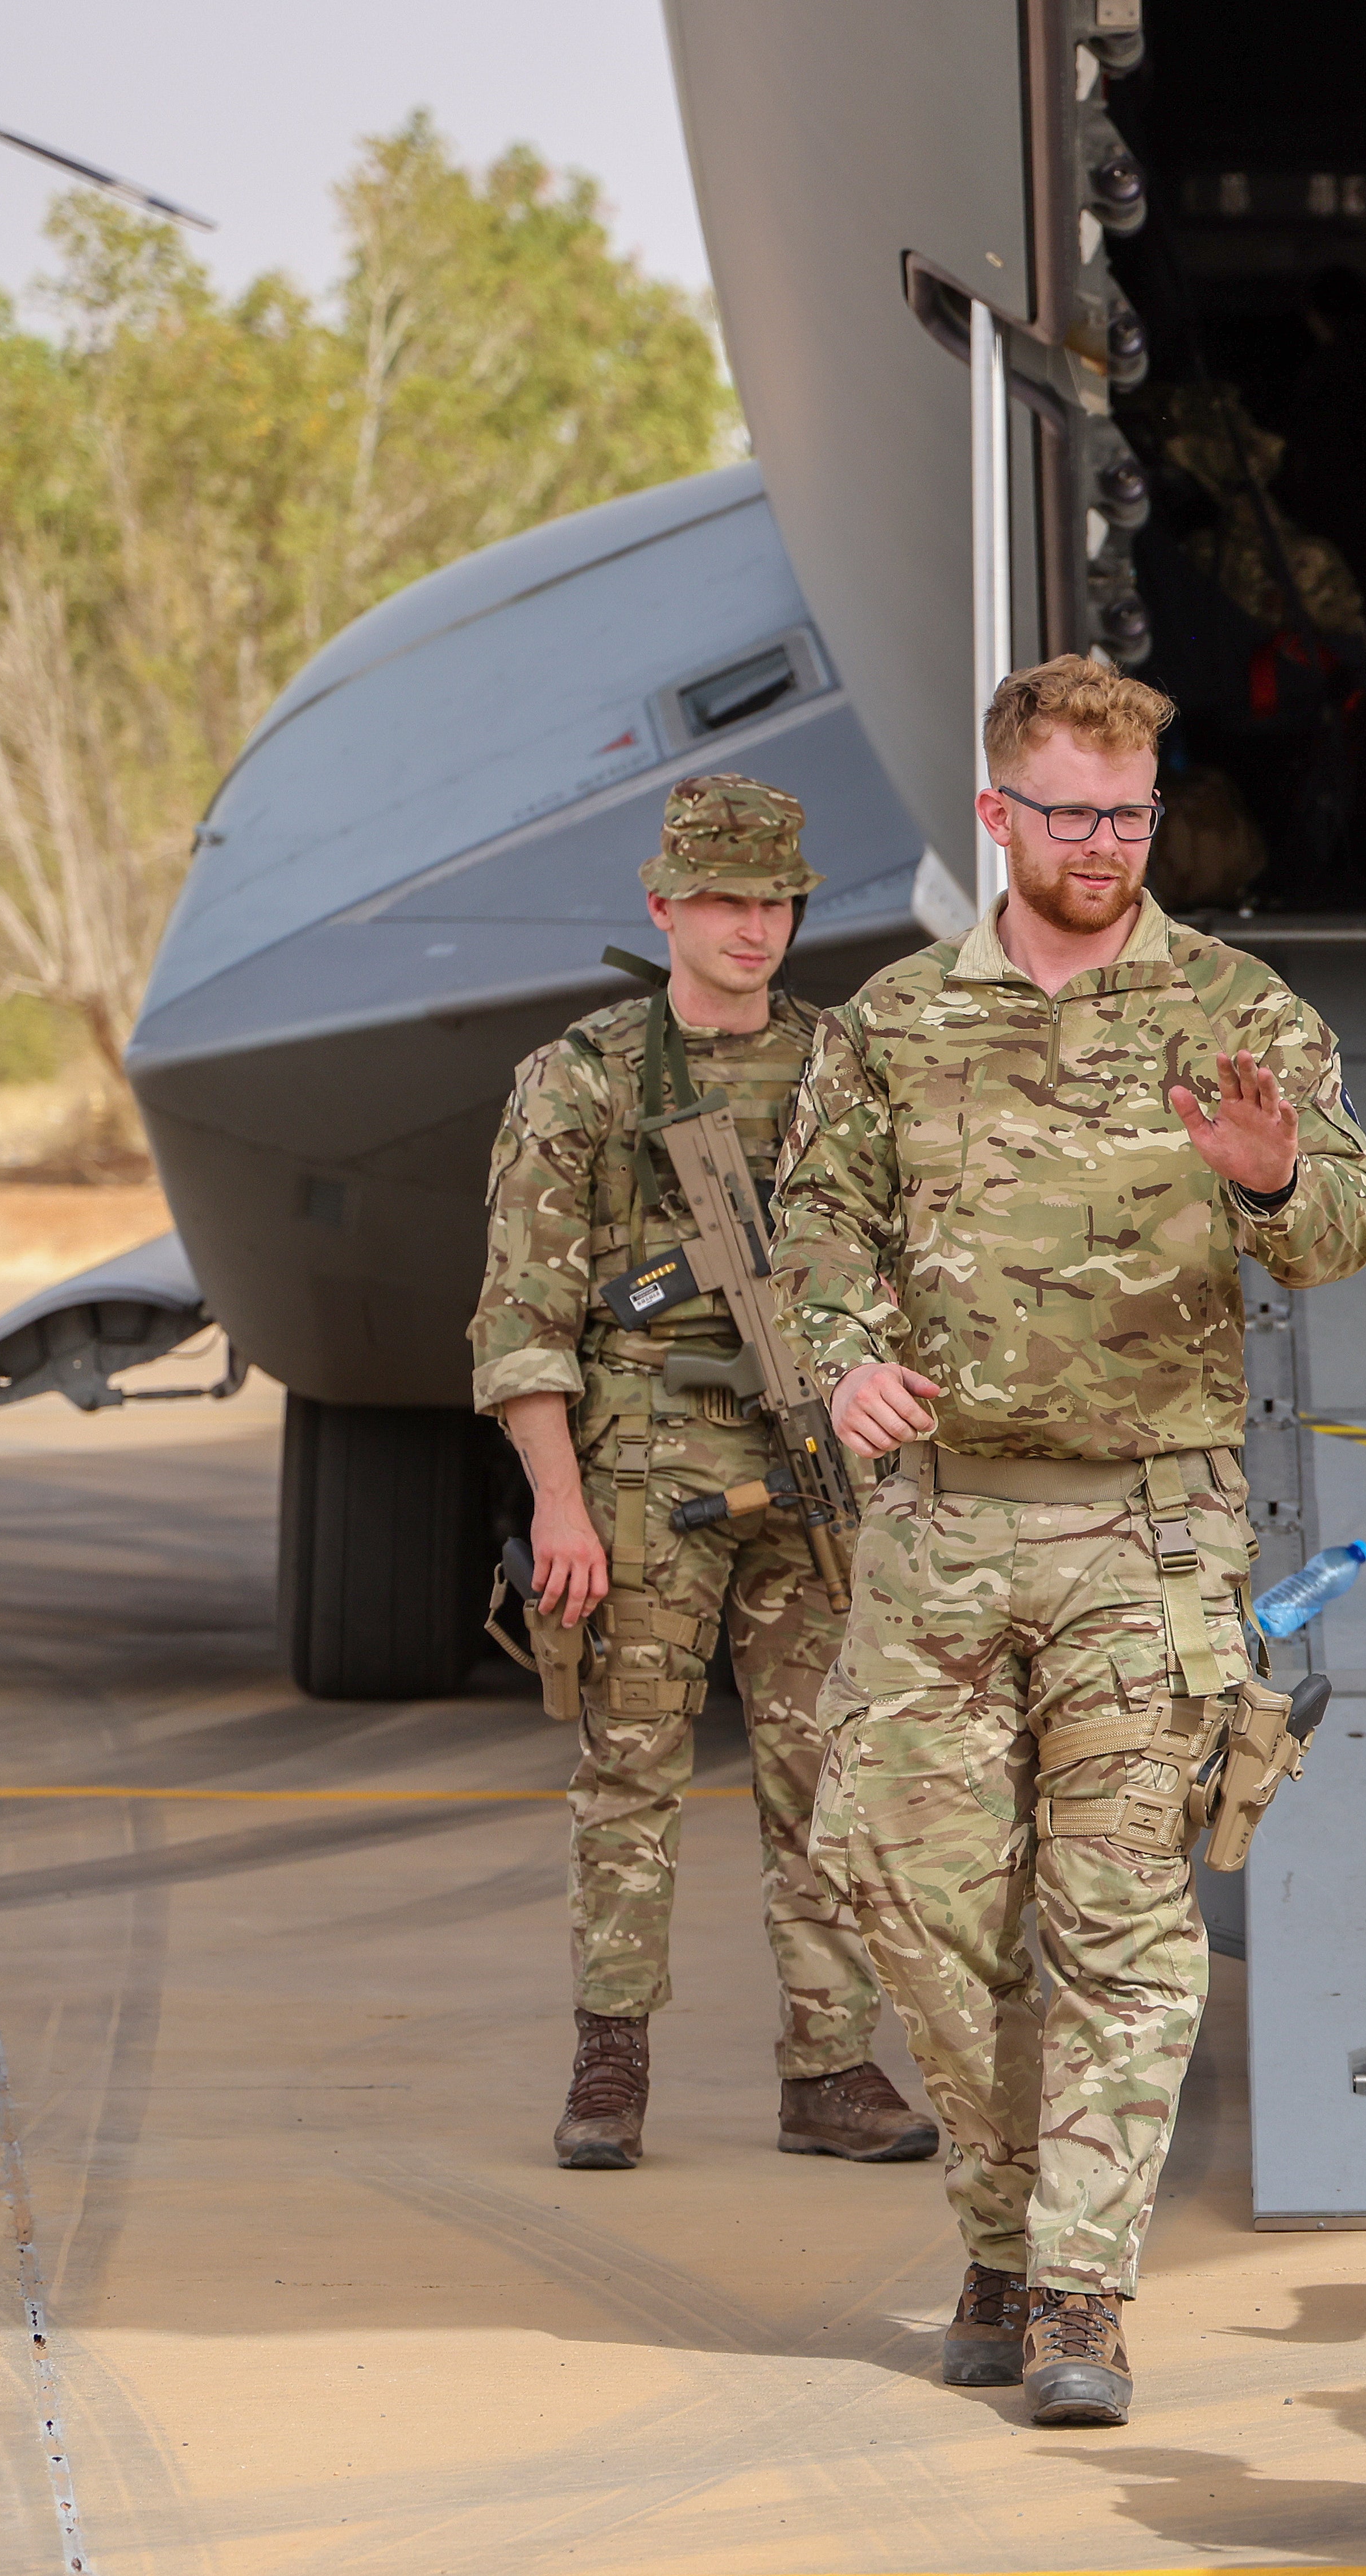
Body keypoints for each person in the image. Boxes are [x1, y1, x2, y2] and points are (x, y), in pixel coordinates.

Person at [773, 654, 1366, 2431]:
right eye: (1071, 815)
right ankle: (1003, 2215)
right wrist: (840, 1361)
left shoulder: (1236, 1008)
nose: (1108, 845)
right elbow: (810, 1229)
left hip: (1151, 1528)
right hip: (941, 1524)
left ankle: (1077, 2291)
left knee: (1123, 1916)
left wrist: (1276, 1177)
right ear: (996, 816)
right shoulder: (890, 1024)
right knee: (912, 1893)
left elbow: (1344, 1227)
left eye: (1129, 814)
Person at [469, 774, 931, 2175]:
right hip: (646, 1462)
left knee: (824, 1773)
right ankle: (611, 2060)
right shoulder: (587, 1077)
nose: (751, 926)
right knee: (630, 1768)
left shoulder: (846, 1064)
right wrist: (557, 1497)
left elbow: (905, 1261)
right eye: (722, 900)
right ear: (663, 904)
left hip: (821, 1463)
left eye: (774, 899)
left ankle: (832, 2065)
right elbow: (521, 1313)